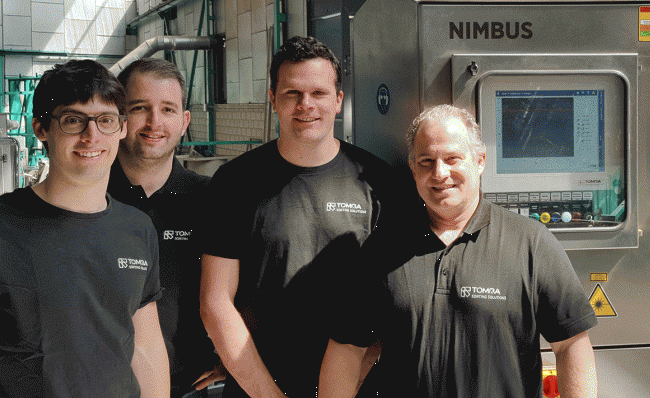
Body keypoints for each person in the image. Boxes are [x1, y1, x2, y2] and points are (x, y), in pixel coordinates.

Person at [319, 104, 599, 398]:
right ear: (413, 168)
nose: (440, 173)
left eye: (453, 158)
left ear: (480, 161)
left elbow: (571, 346)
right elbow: (347, 349)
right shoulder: (382, 248)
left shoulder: (531, 243)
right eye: (426, 161)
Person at [199, 36, 396, 398]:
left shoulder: (378, 183)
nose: (306, 105)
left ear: (338, 101)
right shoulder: (235, 182)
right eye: (292, 94)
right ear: (273, 100)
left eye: (319, 93)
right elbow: (215, 303)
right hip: (258, 387)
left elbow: (394, 303)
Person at [0, 59, 168, 397]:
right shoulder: (4, 224)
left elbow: (147, 350)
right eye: (74, 120)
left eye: (105, 120)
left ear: (122, 128)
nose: (91, 136)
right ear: (41, 129)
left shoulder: (138, 229)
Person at [108, 59, 222, 398]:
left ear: (184, 121)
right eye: (140, 107)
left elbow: (248, 289)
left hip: (191, 385)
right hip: (103, 385)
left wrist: (230, 358)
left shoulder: (213, 200)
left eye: (168, 109)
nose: (155, 122)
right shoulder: (89, 198)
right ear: (120, 117)